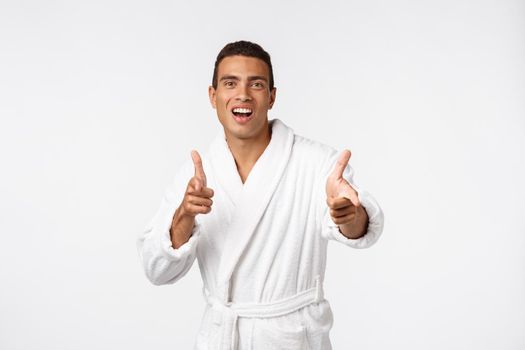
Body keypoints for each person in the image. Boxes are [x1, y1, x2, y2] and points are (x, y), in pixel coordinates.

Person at [137, 40, 384, 350]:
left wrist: (348, 214)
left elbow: (360, 229)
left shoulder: (316, 162)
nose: (242, 94)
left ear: (272, 96)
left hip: (292, 339)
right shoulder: (197, 172)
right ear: (213, 96)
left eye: (256, 84)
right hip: (221, 338)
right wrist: (184, 216)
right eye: (230, 83)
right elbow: (157, 270)